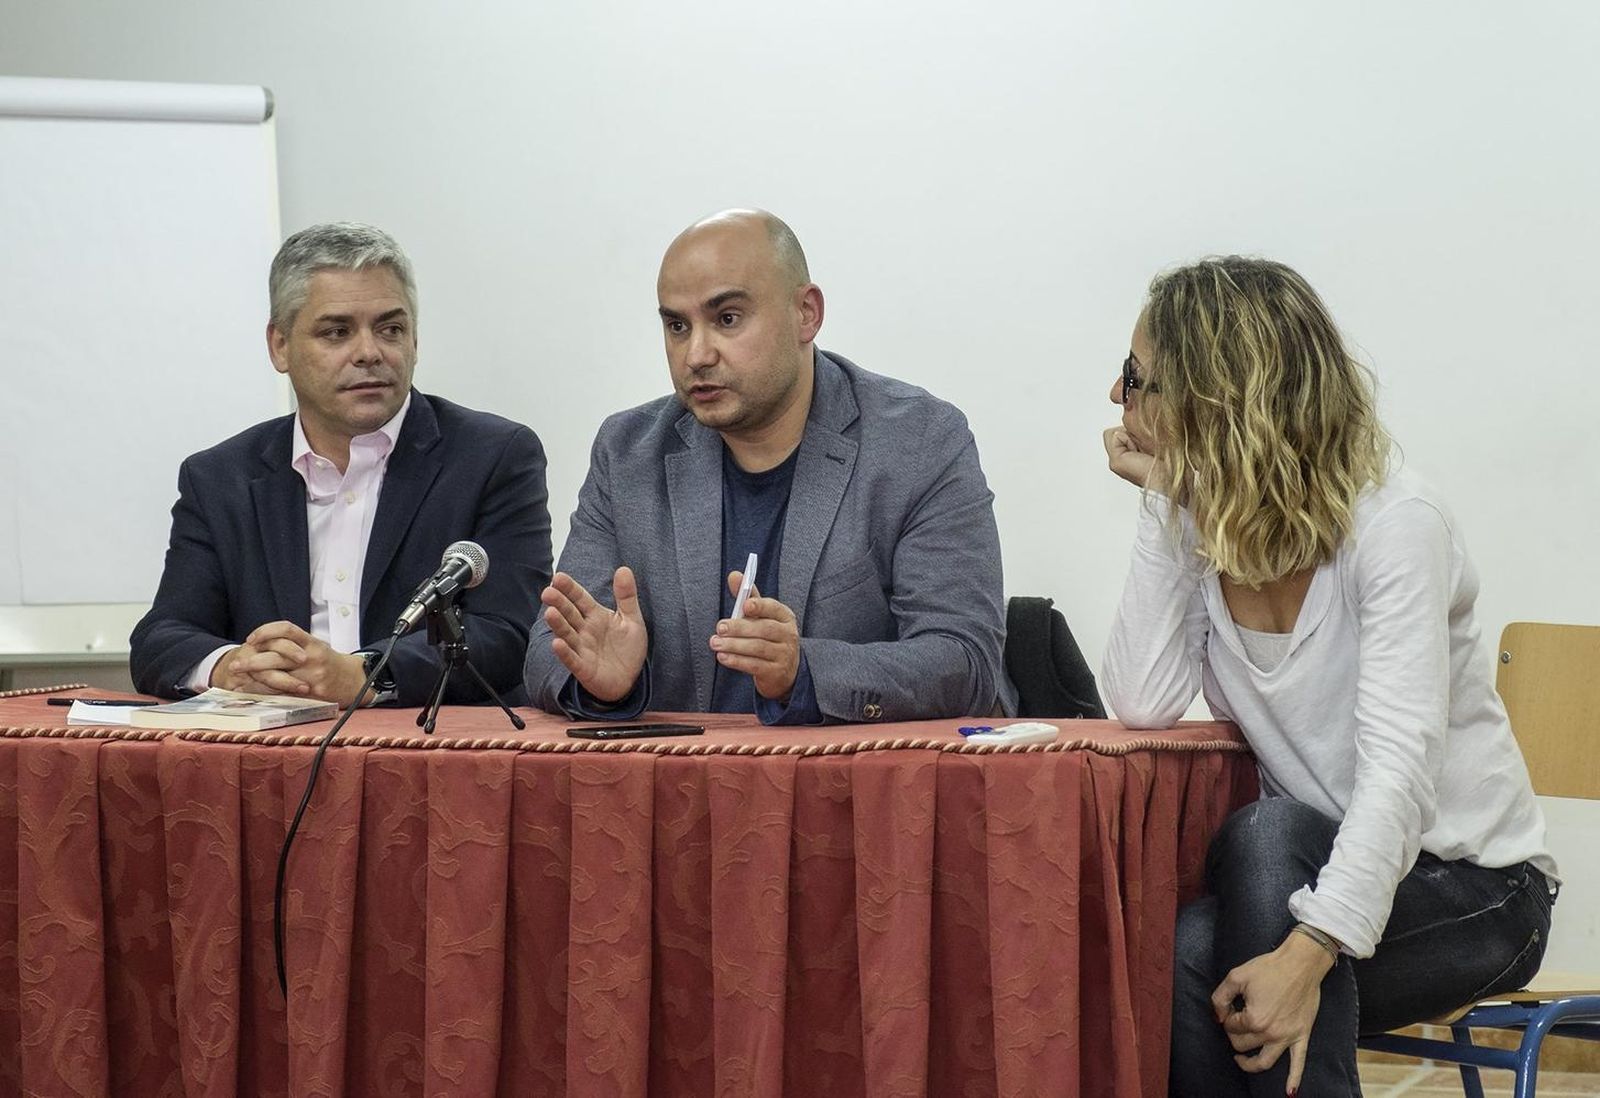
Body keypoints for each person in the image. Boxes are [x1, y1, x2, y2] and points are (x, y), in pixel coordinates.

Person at [1099, 256, 1557, 1096]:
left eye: (1136, 377)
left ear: (1214, 398)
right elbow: (1142, 698)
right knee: (1177, 956)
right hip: (1317, 873)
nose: (1115, 398)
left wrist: (1306, 956)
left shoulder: (1395, 526)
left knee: (1261, 842)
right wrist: (1168, 501)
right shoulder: (1209, 527)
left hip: (1476, 890)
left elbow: (1398, 776)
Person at [523, 209, 1013, 724]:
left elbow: (965, 660)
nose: (696, 354)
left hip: (850, 787)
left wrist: (803, 671)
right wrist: (608, 688)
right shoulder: (628, 452)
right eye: (676, 326)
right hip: (678, 788)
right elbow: (549, 645)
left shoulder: (917, 442)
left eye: (727, 319)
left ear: (807, 313)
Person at [130, 222, 551, 707]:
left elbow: (507, 633)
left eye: (391, 329)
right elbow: (161, 637)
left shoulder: (492, 456)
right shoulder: (221, 478)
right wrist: (230, 666)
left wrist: (366, 674)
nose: (369, 353)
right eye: (337, 332)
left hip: (428, 754)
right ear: (280, 346)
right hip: (274, 755)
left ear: (415, 339)